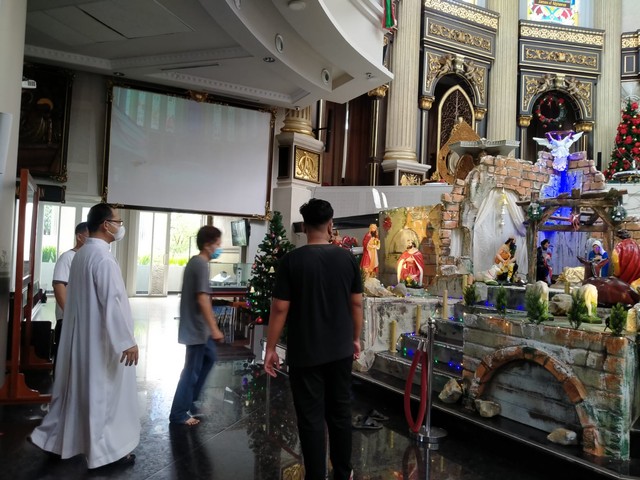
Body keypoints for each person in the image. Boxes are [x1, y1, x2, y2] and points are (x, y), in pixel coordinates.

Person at [31, 203, 139, 469]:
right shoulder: (102, 258)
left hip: (82, 336)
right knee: (103, 395)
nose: (120, 225)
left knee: (74, 394)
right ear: (106, 224)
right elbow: (112, 302)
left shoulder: (81, 255)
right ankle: (107, 453)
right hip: (101, 342)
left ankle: (57, 443)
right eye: (118, 220)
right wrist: (127, 341)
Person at [264, 198, 363, 480]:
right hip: (340, 350)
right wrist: (355, 339)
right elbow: (356, 304)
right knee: (340, 413)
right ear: (330, 225)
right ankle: (343, 472)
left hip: (305, 352)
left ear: (305, 226)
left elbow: (280, 308)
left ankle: (316, 475)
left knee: (310, 418)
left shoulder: (291, 261)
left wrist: (271, 348)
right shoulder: (347, 259)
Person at [170, 226, 225, 426]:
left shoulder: (197, 263)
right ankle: (178, 413)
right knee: (191, 370)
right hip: (196, 330)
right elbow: (202, 299)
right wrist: (215, 329)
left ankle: (192, 400)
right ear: (208, 245)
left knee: (210, 359)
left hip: (199, 330)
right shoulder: (200, 264)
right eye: (218, 244)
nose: (220, 248)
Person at [51, 221, 88, 371]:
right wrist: (69, 315)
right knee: (64, 360)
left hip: (81, 319)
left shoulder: (86, 257)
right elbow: (59, 286)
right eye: (89, 235)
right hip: (68, 320)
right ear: (79, 237)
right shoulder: (67, 257)